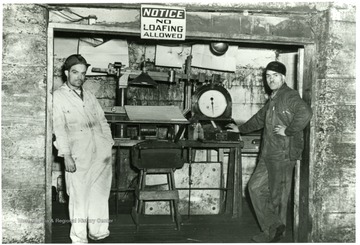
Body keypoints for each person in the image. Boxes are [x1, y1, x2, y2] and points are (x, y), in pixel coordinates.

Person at [227, 61, 312, 242]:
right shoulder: (273, 97)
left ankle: (274, 237)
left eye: (274, 76)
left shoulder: (289, 96)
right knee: (254, 187)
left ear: (283, 77)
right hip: (268, 153)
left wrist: (288, 130)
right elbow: (259, 119)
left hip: (282, 154)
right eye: (268, 76)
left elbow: (305, 112)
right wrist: (240, 129)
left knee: (278, 197)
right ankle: (273, 227)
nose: (270, 79)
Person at [53, 54, 114, 243]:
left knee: (100, 195)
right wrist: (66, 155)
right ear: (66, 73)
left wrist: (108, 143)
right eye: (75, 72)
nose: (79, 77)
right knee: (78, 198)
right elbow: (59, 128)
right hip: (78, 155)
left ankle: (99, 232)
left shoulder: (89, 96)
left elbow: (102, 121)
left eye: (83, 73)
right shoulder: (58, 97)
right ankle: (79, 239)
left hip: (101, 154)